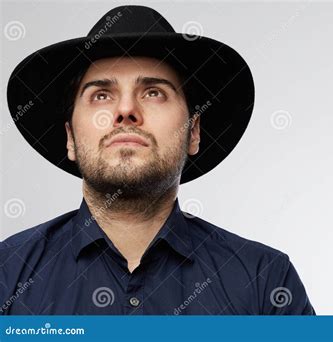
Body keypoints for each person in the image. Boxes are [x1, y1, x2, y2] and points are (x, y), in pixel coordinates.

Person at [1, 5, 315, 315]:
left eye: (153, 92)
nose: (126, 110)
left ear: (193, 133)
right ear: (70, 137)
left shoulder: (266, 282)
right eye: (101, 94)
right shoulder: (7, 274)